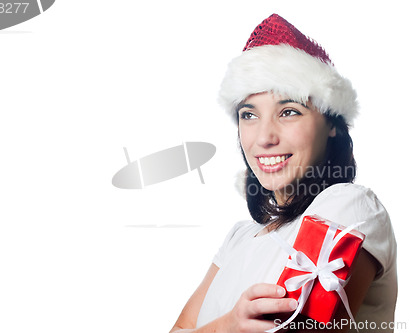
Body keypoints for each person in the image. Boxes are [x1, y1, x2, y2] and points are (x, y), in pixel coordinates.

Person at [170, 14, 397, 333]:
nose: (264, 138)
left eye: (289, 112)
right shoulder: (239, 239)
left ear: (332, 123)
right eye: (249, 115)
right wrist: (227, 326)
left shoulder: (349, 207)